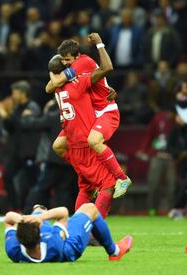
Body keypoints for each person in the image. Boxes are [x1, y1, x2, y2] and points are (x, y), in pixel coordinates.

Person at [45, 38, 131, 199]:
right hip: (92, 112)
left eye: (67, 59)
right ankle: (88, 173)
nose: (64, 63)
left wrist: (99, 43)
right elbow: (49, 87)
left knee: (93, 141)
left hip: (106, 110)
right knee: (58, 146)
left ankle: (122, 178)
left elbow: (107, 68)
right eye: (62, 59)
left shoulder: (80, 63)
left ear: (76, 56)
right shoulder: (74, 67)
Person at [4, 203, 133, 263]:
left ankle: (38, 211)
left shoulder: (13, 250)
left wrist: (24, 220)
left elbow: (8, 218)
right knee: (90, 208)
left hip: (41, 243)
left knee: (38, 209)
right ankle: (114, 251)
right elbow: (63, 213)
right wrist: (41, 218)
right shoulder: (54, 245)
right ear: (40, 236)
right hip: (69, 246)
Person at [0, 80, 41, 211]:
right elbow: (11, 128)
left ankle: (36, 209)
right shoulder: (17, 108)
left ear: (23, 93)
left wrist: (6, 115)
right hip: (17, 152)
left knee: (32, 182)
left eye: (15, 93)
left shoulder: (32, 107)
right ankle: (16, 208)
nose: (13, 96)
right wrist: (6, 116)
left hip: (29, 152)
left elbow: (24, 125)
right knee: (7, 176)